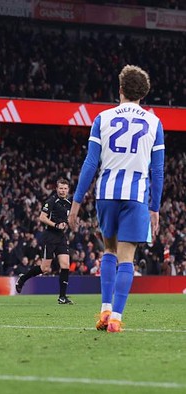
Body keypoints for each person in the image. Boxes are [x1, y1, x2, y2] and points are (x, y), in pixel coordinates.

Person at [69, 65, 164, 333]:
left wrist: (76, 204)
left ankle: (104, 310)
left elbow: (90, 163)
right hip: (136, 197)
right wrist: (154, 208)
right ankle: (116, 318)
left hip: (106, 194)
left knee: (109, 251)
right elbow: (157, 171)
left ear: (120, 89)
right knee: (127, 258)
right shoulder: (154, 123)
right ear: (142, 94)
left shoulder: (103, 117)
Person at [15, 178, 74, 304]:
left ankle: (62, 297)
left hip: (61, 237)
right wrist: (56, 225)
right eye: (61, 188)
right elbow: (42, 217)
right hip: (50, 236)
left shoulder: (69, 203)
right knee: (45, 268)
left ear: (68, 190)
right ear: (56, 189)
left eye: (65, 188)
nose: (63, 191)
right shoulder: (52, 201)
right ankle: (23, 278)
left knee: (65, 265)